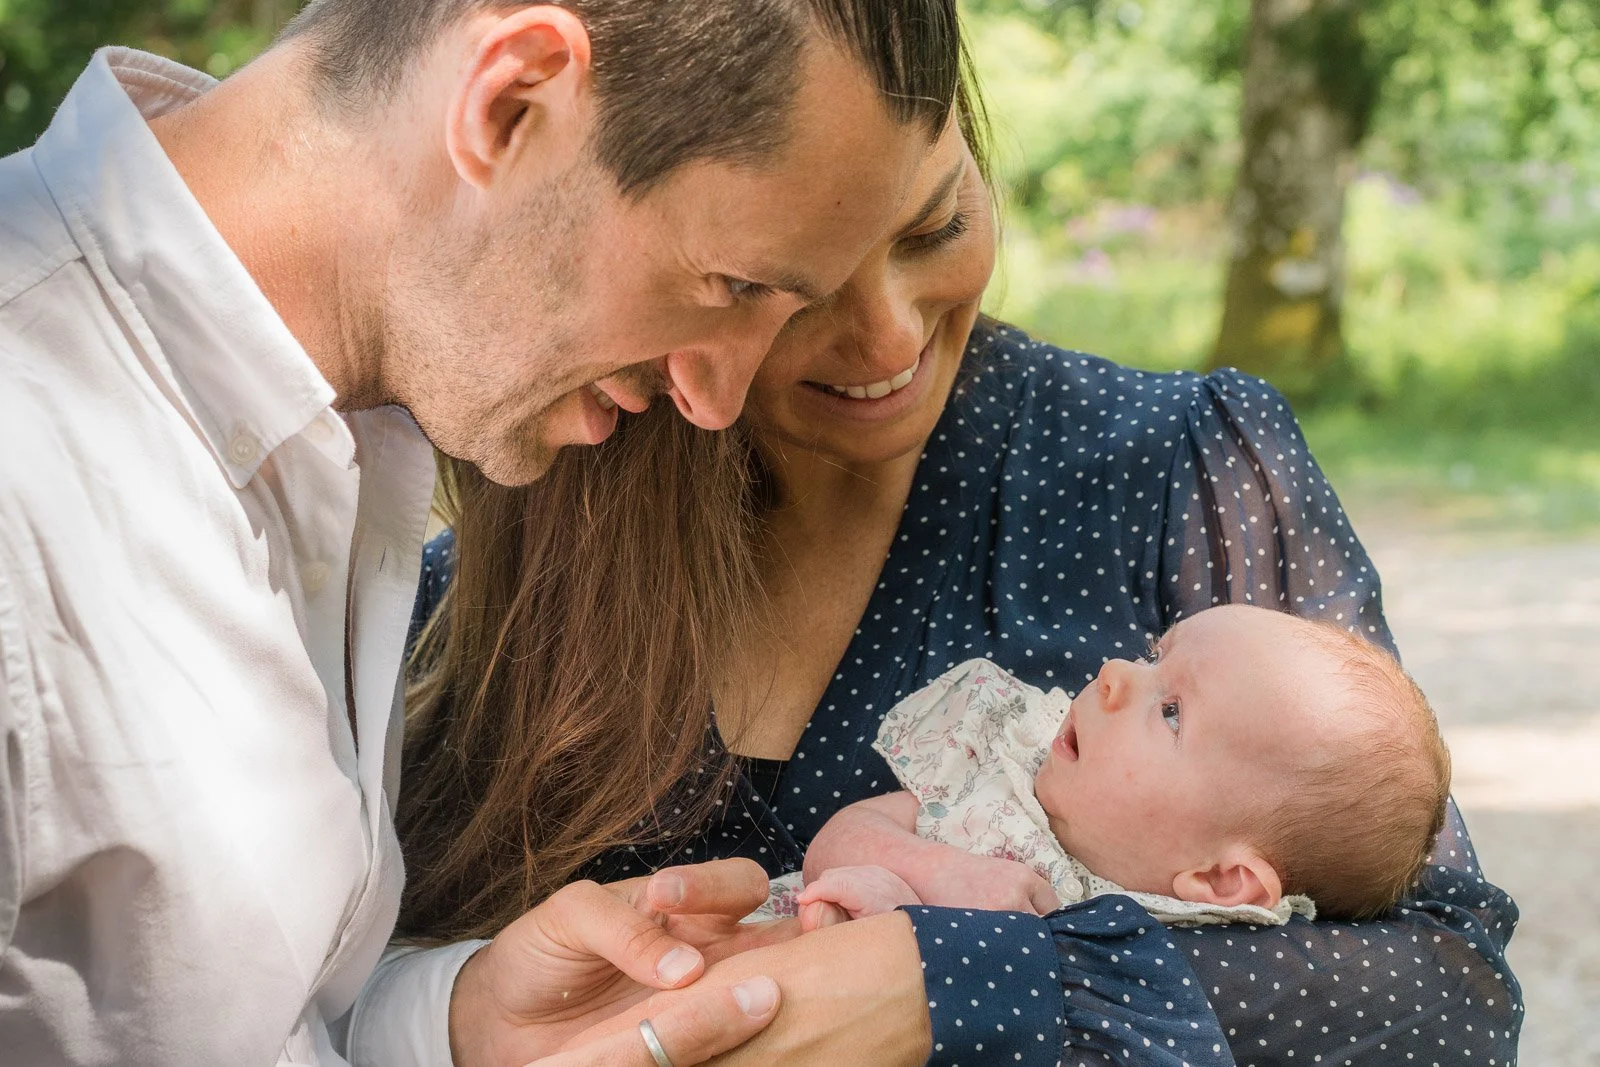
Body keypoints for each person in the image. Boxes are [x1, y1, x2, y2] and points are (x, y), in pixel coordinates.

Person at [407, 76, 1525, 1064]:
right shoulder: (487, 594)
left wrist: (941, 983)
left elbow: (1445, 998)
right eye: (794, 283)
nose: (888, 339)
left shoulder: (1184, 471)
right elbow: (302, 996)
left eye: (934, 224)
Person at [0, 0, 970, 1064]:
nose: (718, 399)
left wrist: (452, 1028)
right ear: (511, 102)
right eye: (733, 286)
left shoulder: (326, 435)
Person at [791, 604, 1452, 931]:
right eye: (1151, 652)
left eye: (1169, 710)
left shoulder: (1157, 945)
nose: (1114, 676)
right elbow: (835, 841)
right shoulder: (1006, 767)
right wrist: (933, 872)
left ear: (1221, 880)